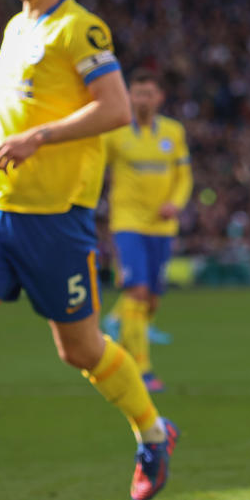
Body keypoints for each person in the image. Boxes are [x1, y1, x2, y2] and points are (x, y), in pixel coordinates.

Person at [0, 0, 178, 500]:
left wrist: (37, 139)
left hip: (54, 222)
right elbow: (12, 103)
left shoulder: (80, 29)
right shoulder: (18, 27)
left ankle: (152, 433)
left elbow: (115, 108)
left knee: (81, 350)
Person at [102, 69, 192, 394]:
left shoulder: (173, 131)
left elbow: (184, 177)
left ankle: (122, 345)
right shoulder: (115, 132)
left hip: (162, 225)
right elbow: (95, 164)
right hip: (127, 223)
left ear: (159, 98)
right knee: (136, 291)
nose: (142, 99)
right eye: (137, 93)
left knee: (151, 300)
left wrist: (176, 203)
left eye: (147, 93)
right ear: (129, 96)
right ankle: (141, 370)